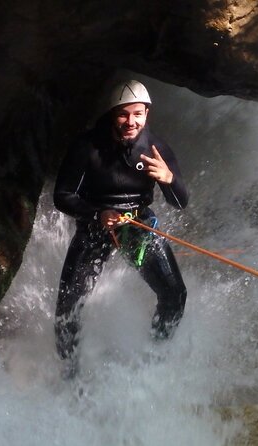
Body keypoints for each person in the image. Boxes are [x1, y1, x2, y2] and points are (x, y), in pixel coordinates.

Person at [53, 79, 188, 377]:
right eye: (124, 114)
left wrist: (169, 180)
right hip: (95, 225)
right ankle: (70, 374)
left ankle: (155, 360)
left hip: (137, 226)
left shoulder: (157, 148)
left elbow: (180, 202)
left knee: (175, 295)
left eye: (138, 114)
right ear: (113, 114)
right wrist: (97, 214)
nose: (131, 122)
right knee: (68, 306)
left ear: (147, 114)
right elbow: (62, 196)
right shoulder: (87, 146)